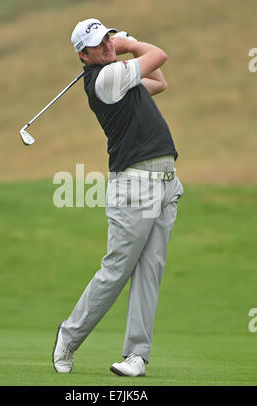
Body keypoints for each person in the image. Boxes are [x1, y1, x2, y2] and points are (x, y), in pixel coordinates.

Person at [52, 18, 184, 377]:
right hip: (135, 186)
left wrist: (122, 47)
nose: (108, 45)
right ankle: (69, 335)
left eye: (109, 37)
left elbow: (159, 82)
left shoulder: (120, 76)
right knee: (115, 272)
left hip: (165, 184)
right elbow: (160, 55)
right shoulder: (107, 79)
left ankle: (136, 356)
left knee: (149, 272)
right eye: (100, 43)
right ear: (84, 55)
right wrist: (129, 44)